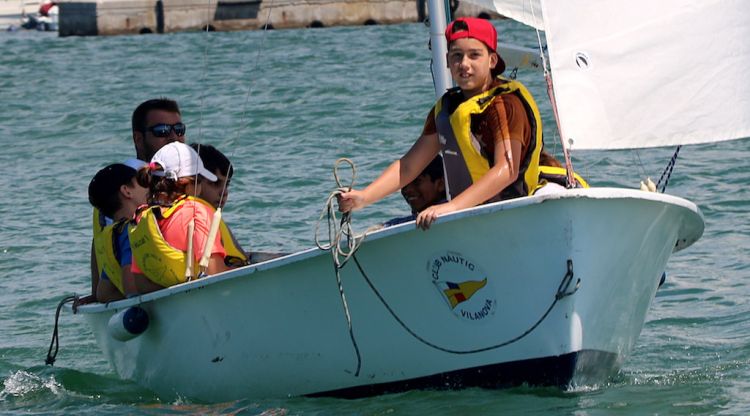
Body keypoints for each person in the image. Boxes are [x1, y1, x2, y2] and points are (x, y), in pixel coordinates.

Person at [338, 17, 544, 229]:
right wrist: (364, 197)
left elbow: (507, 169)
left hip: (512, 212)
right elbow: (409, 166)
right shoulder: (447, 108)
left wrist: (452, 206)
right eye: (457, 56)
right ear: (446, 61)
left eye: (475, 55)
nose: (464, 64)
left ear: (492, 60)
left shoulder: (505, 104)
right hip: (470, 214)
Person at [130, 142, 231, 292]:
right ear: (190, 184)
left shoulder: (142, 219)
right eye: (200, 181)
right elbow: (214, 271)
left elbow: (140, 283)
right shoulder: (197, 212)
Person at [87, 162, 149, 302]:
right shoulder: (133, 231)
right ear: (127, 191)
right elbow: (131, 287)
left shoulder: (114, 235)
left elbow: (103, 293)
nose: (148, 187)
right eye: (141, 182)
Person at [384, 155, 446, 227]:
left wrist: (386, 226)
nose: (408, 190)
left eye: (417, 182)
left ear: (440, 184)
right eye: (404, 183)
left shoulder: (446, 214)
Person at [132, 98, 186, 163]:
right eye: (162, 130)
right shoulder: (125, 172)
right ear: (138, 139)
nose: (174, 137)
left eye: (179, 129)